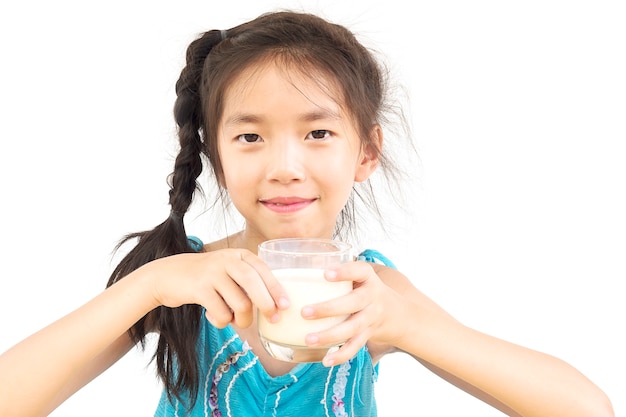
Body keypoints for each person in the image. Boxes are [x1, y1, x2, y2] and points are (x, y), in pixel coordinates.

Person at [0, 10, 615, 417]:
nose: (285, 166)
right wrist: (150, 285)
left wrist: (409, 326)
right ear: (213, 153)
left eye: (318, 133)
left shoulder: (369, 293)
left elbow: (588, 409)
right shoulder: (179, 284)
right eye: (250, 137)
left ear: (366, 151)